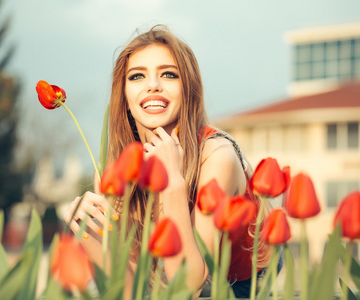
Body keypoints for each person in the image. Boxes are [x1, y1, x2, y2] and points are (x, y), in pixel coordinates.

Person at [64, 24, 270, 299]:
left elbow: (192, 286)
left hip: (235, 285)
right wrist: (91, 233)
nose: (152, 85)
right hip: (161, 283)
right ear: (124, 98)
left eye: (169, 74)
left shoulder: (217, 156)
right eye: (137, 76)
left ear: (188, 90)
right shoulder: (118, 167)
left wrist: (172, 182)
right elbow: (130, 290)